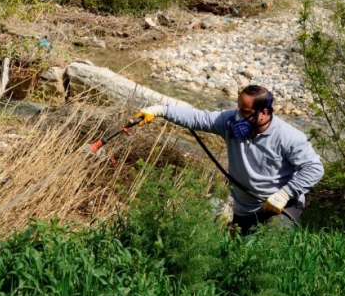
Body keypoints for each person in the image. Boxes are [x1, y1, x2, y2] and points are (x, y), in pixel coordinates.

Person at [134, 85, 324, 235]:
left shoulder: (288, 136)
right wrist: (159, 110)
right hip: (245, 208)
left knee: (269, 252)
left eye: (245, 112)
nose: (238, 116)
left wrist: (284, 194)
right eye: (238, 108)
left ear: (264, 113)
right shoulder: (229, 123)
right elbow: (197, 118)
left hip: (280, 207)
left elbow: (314, 168)